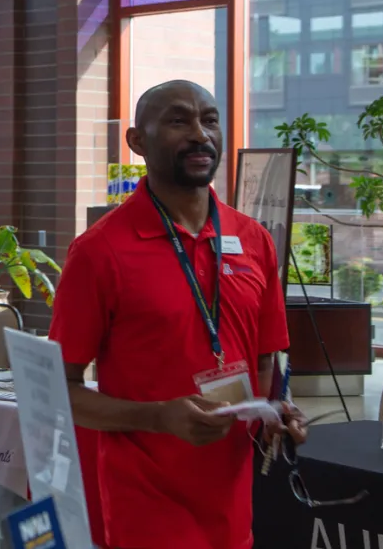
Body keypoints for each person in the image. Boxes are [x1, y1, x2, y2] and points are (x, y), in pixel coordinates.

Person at [50, 80, 307, 549]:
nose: (199, 134)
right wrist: (157, 418)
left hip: (233, 510)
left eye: (209, 120)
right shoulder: (99, 251)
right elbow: (57, 392)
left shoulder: (254, 240)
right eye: (177, 120)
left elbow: (265, 362)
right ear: (137, 141)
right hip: (147, 514)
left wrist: (275, 413)